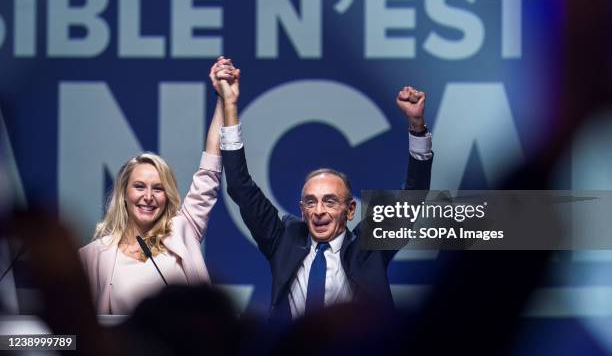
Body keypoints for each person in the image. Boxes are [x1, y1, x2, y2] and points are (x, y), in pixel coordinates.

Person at [212, 57, 433, 321]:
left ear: (350, 210)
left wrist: (417, 127)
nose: (318, 211)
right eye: (310, 202)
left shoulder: (370, 246)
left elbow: (414, 195)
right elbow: (239, 185)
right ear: (301, 210)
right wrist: (230, 105)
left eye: (329, 202)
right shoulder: (283, 238)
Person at [79, 59, 231, 314]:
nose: (148, 197)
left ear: (167, 195)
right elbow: (76, 328)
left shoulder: (182, 230)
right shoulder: (95, 255)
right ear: (124, 194)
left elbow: (210, 170)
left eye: (158, 189)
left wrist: (222, 100)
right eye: (139, 187)